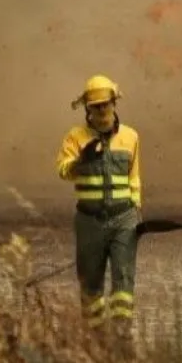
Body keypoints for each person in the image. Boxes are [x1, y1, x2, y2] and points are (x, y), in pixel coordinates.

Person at [55, 74, 142, 333]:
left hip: (124, 218)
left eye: (106, 104)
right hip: (89, 221)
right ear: (87, 109)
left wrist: (136, 209)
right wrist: (80, 161)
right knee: (90, 283)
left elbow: (134, 177)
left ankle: (121, 336)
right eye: (96, 106)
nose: (102, 110)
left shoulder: (130, 137)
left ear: (115, 103)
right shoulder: (75, 137)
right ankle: (96, 340)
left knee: (123, 279)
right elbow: (62, 170)